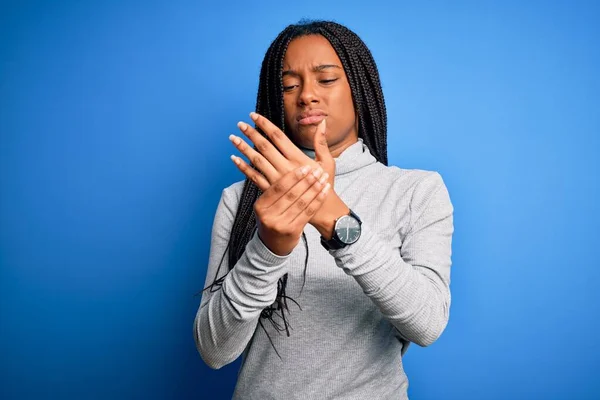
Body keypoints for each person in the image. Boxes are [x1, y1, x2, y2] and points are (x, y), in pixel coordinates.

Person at [194, 20, 454, 400]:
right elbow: (214, 351)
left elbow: (427, 323)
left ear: (359, 89)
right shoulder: (242, 200)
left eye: (326, 79)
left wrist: (335, 218)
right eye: (289, 85)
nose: (306, 96)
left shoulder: (415, 191)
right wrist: (268, 247)